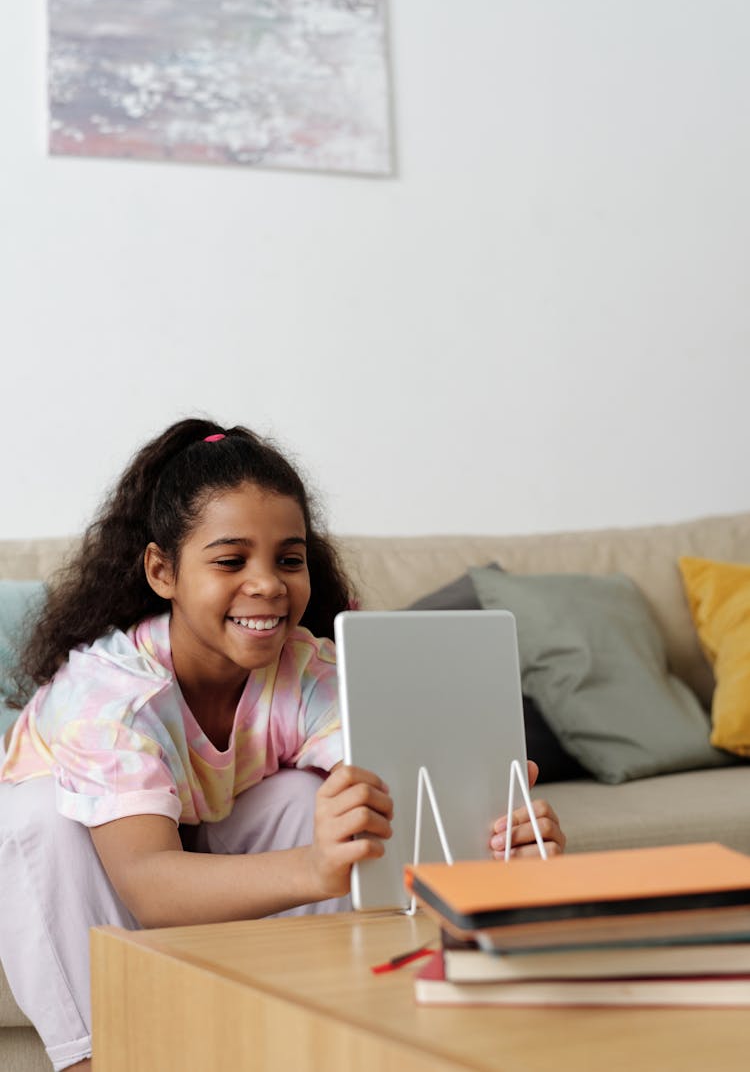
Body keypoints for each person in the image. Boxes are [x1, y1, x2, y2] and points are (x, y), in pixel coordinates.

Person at [0, 418, 565, 1071]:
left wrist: (501, 842)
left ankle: (322, 1037)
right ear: (163, 571)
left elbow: (400, 786)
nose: (267, 583)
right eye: (231, 560)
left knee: (315, 798)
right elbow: (147, 883)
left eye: (288, 560)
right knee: (37, 817)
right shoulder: (108, 696)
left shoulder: (302, 669)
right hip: (92, 873)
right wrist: (311, 868)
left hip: (200, 840)